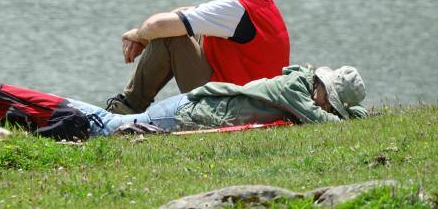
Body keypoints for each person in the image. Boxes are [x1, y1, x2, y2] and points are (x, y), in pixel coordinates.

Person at [106, 0, 290, 114]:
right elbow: (187, 13)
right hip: (259, 103)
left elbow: (157, 25)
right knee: (183, 27)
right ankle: (128, 108)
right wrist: (145, 39)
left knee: (169, 38)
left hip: (231, 107)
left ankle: (125, 110)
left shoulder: (233, 7)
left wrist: (138, 35)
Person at [74, 64, 367, 137]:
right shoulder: (293, 87)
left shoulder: (307, 90)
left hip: (192, 109)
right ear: (322, 86)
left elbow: (355, 114)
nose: (328, 109)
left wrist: (353, 111)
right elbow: (323, 123)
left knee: (110, 123)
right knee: (106, 126)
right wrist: (347, 119)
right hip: (187, 113)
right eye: (331, 103)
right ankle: (45, 107)